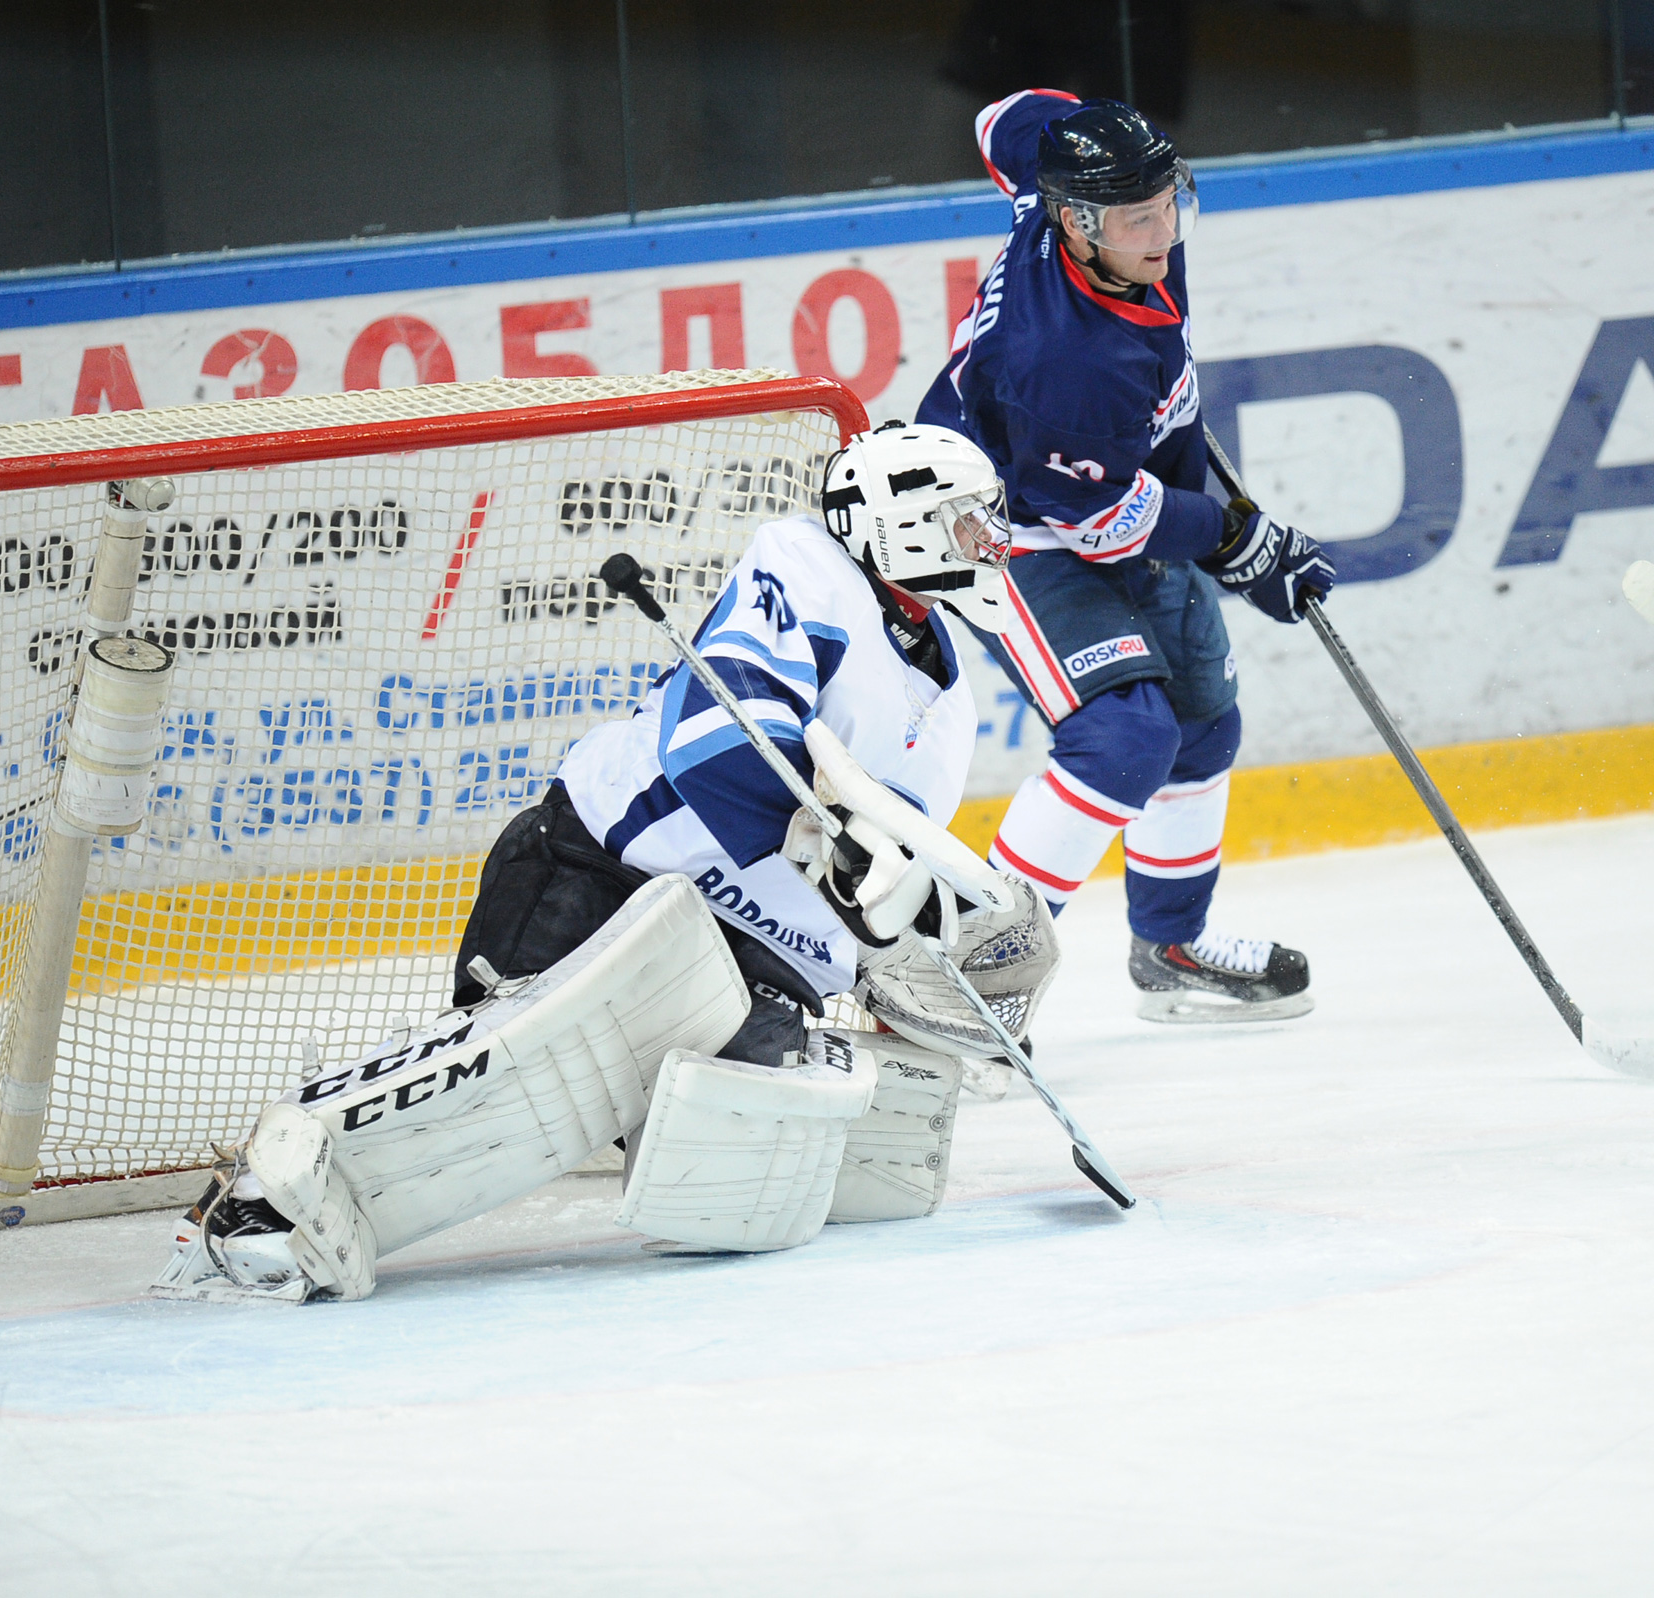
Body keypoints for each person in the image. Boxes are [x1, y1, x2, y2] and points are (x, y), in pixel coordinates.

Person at [152, 423, 1061, 1303]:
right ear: (900, 521)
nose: (992, 544)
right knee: (502, 1092)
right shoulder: (805, 568)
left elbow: (875, 891)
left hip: (747, 967)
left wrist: (927, 941)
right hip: (608, 881)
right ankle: (255, 1205)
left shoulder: (950, 713)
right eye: (970, 520)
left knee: (785, 1156)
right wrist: (814, 838)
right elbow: (713, 735)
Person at [917, 90, 1337, 1024]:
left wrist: (1091, 125)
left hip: (1099, 481)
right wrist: (1238, 541)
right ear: (1079, 223)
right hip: (1003, 526)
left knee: (1200, 726)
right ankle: (971, 980)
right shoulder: (1065, 360)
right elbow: (1099, 520)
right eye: (1140, 219)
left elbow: (1005, 117)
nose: (1164, 233)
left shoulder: (1064, 194)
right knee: (1122, 741)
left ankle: (1172, 947)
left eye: (1169, 206)